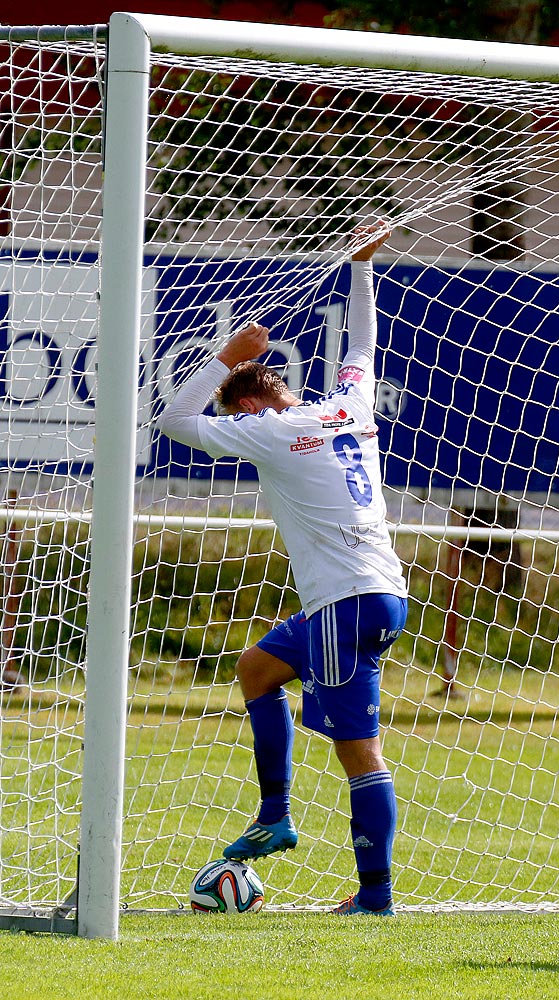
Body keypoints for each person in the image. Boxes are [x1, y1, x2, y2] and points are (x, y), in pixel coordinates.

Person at [158, 222, 408, 916]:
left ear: (244, 406)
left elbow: (174, 420)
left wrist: (222, 355)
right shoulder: (349, 405)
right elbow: (361, 345)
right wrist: (360, 268)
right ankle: (275, 814)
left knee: (360, 753)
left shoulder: (266, 431)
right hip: (380, 591)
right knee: (258, 669)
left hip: (344, 602)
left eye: (229, 411)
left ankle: (375, 899)